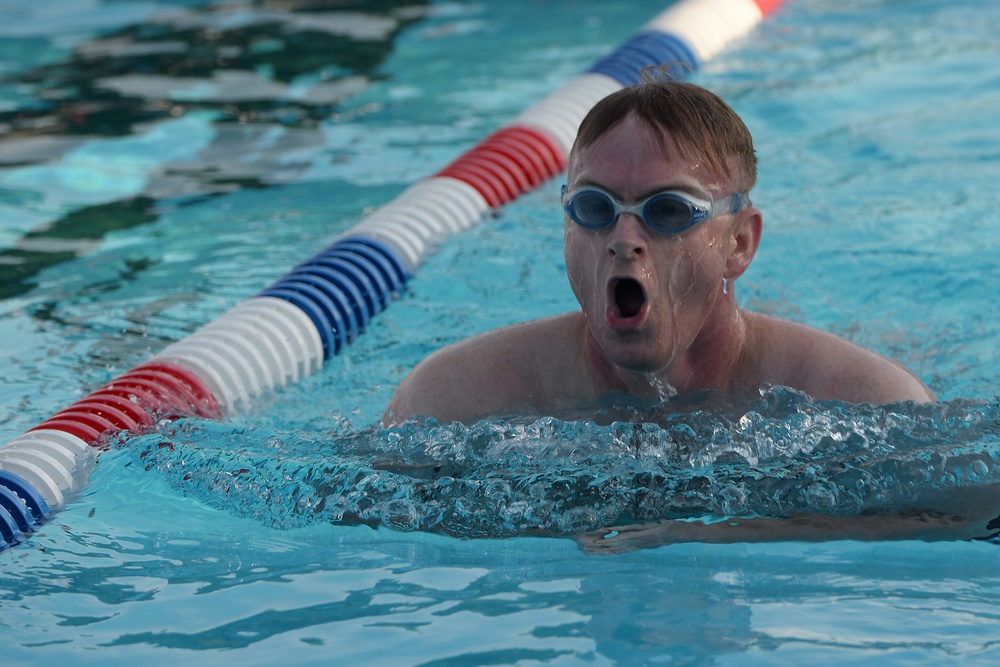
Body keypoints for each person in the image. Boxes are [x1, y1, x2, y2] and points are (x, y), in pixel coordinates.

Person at [385, 79, 935, 426]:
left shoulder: (867, 401)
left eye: (669, 211)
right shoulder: (450, 399)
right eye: (594, 209)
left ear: (738, 244)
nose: (624, 239)